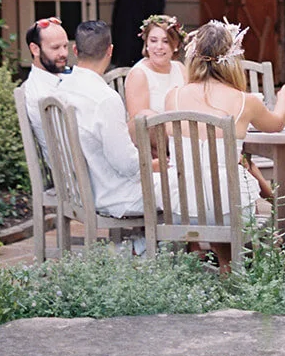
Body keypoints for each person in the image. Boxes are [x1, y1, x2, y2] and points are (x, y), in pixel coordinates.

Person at [164, 20, 285, 246]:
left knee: (208, 192)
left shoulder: (173, 97)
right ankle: (230, 269)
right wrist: (284, 99)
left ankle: (199, 258)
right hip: (229, 210)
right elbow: (276, 124)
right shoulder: (245, 101)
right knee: (229, 197)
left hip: (181, 206)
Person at [54, 19, 145, 217]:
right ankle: (149, 246)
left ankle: (139, 245)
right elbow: (126, 164)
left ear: (75, 50)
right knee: (184, 188)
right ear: (110, 50)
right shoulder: (105, 98)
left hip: (78, 190)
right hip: (113, 195)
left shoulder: (60, 90)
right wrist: (153, 164)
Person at [124, 13, 187, 130]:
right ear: (146, 44)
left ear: (176, 45)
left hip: (181, 137)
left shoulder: (180, 69)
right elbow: (139, 125)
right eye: (153, 41)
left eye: (166, 41)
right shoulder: (139, 74)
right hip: (152, 142)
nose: (159, 47)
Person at [23, 17, 73, 152]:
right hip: (76, 168)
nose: (63, 53)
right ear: (35, 49)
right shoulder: (42, 94)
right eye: (55, 48)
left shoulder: (58, 76)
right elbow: (66, 145)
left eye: (65, 46)